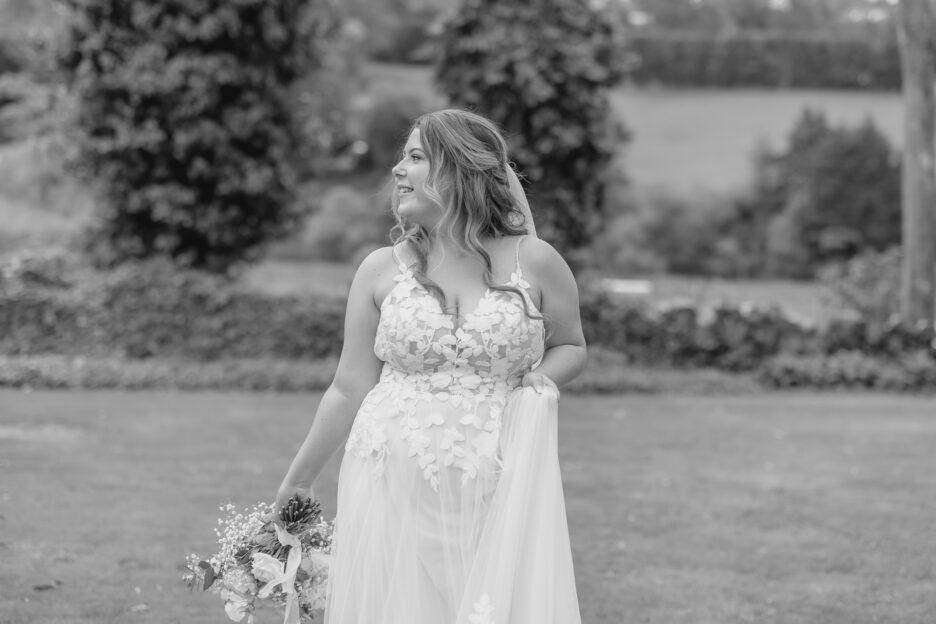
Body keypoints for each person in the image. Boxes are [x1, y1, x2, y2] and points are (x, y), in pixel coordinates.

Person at [275, 108, 587, 624]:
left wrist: (542, 379)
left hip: (496, 471)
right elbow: (350, 385)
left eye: (416, 157)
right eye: (402, 156)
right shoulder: (379, 270)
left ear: (461, 170)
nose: (398, 169)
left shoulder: (536, 261)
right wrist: (299, 480)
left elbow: (572, 345)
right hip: (390, 475)